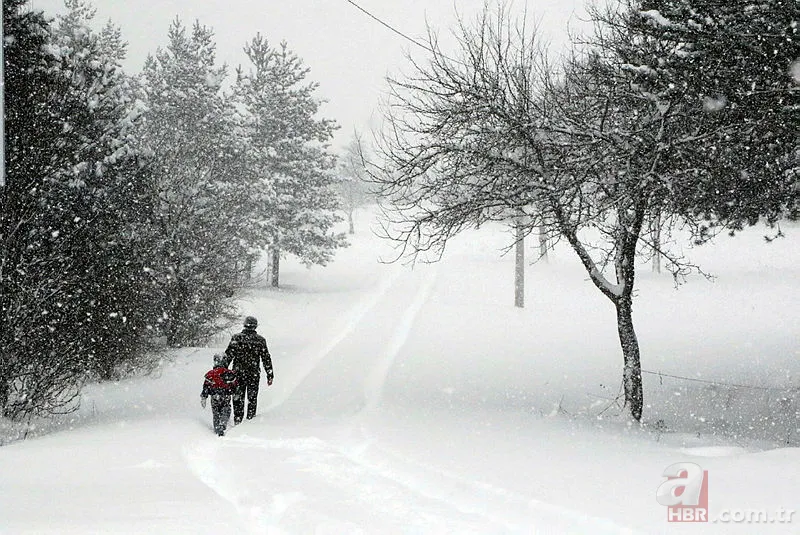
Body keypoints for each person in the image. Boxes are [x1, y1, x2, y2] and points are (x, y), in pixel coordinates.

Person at [224, 316, 273, 424]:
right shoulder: (260, 340)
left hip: (238, 373)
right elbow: (266, 358)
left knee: (238, 397)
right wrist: (270, 374)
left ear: (244, 324)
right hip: (253, 373)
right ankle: (250, 420)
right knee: (252, 397)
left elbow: (228, 356)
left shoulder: (236, 338)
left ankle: (238, 419)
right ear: (255, 326)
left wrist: (222, 370)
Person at [200, 353, 238, 436]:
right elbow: (234, 385)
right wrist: (235, 393)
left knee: (216, 412)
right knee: (226, 409)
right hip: (226, 395)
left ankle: (217, 427)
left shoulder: (210, 374)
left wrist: (204, 397)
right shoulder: (229, 373)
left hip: (214, 396)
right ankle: (222, 424)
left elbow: (206, 386)